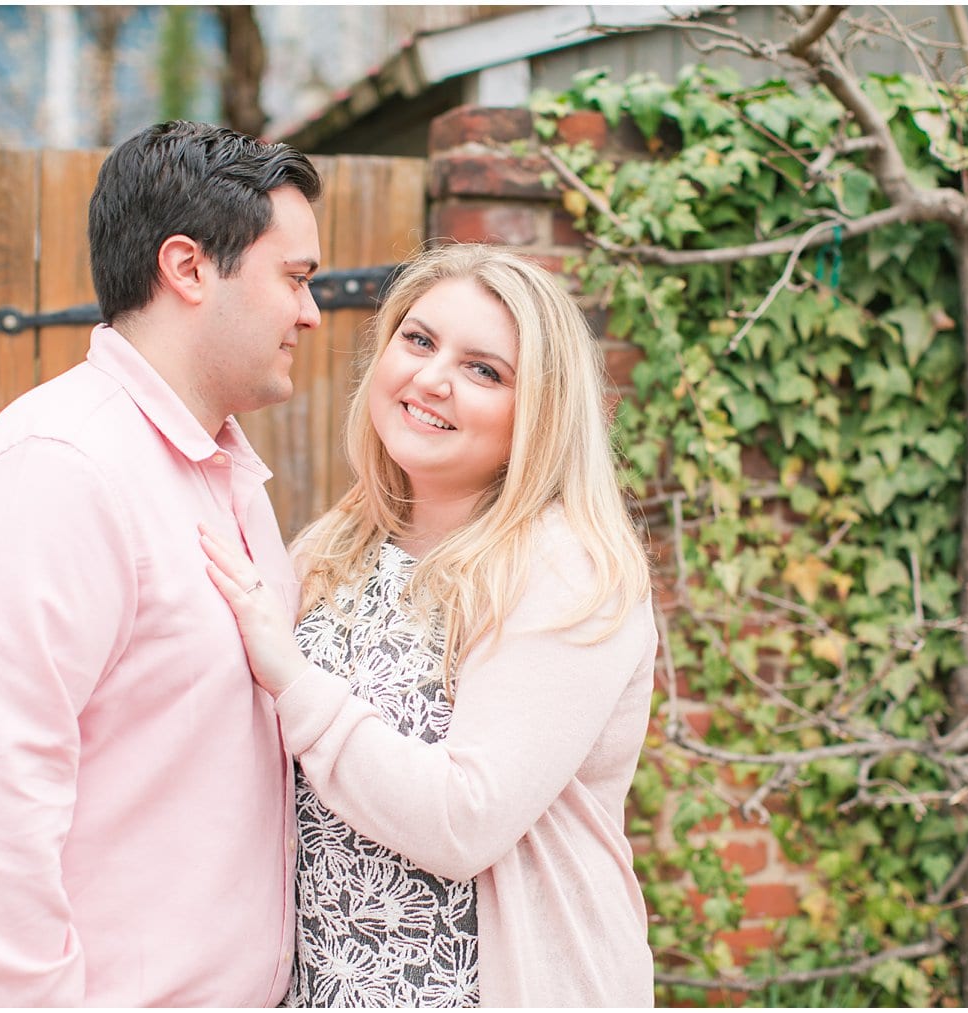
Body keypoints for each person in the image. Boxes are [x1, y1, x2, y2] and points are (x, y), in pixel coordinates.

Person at [0, 121, 323, 1006]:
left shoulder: (221, 472)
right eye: (295, 277)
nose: (313, 313)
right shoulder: (54, 476)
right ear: (188, 267)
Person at [199, 244, 659, 1007]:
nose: (431, 378)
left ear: (539, 410)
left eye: (484, 370)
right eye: (418, 340)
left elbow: (463, 821)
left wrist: (291, 677)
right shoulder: (337, 544)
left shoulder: (566, 568)